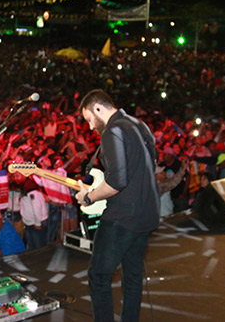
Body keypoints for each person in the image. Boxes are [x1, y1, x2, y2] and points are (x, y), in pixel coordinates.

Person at [76, 90, 160, 322]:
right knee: (132, 276)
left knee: (99, 275)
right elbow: (151, 164)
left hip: (123, 217)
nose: (91, 127)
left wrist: (89, 197)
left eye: (89, 119)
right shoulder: (138, 124)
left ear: (98, 109)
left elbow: (117, 181)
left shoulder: (112, 131)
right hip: (148, 214)